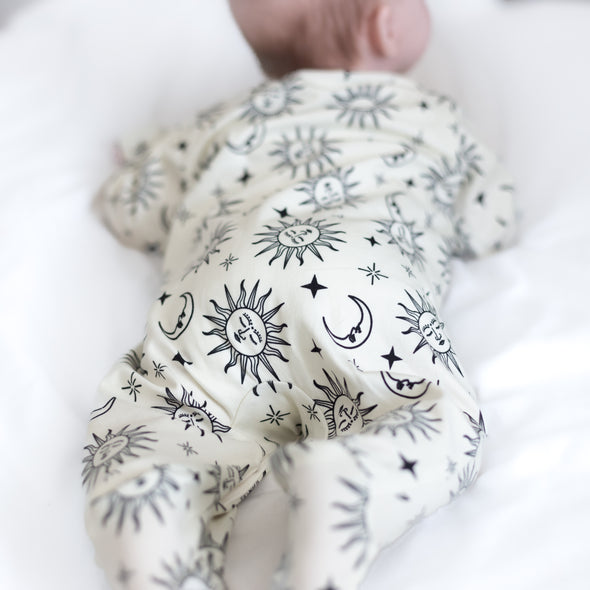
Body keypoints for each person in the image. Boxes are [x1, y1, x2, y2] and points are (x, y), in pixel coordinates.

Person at [82, 1, 516, 589]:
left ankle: (152, 505)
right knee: (436, 419)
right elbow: (493, 221)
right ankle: (358, 479)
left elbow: (131, 210)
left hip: (227, 299)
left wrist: (139, 161)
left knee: (171, 414)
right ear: (385, 21)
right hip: (360, 284)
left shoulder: (224, 118)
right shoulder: (437, 117)